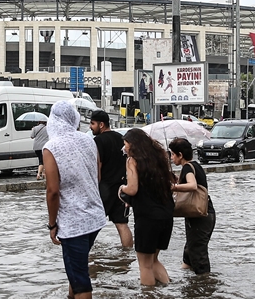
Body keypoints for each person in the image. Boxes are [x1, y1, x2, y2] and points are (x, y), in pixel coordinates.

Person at [42, 100, 105, 299]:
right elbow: (97, 174)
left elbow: (52, 191)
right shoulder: (88, 140)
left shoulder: (51, 147)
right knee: (77, 267)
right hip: (95, 217)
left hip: (73, 223)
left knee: (79, 277)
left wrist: (52, 225)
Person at [119, 127, 174, 287]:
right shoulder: (159, 157)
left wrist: (122, 188)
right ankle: (168, 291)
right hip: (166, 215)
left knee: (145, 265)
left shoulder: (132, 161)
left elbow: (133, 188)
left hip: (147, 217)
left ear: (134, 144)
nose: (125, 148)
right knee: (154, 260)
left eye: (126, 144)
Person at [168, 137, 215, 275]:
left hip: (200, 216)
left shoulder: (188, 167)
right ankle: (186, 279)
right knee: (190, 250)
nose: (171, 157)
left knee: (197, 251)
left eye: (172, 154)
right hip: (205, 213)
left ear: (180, 155)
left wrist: (173, 187)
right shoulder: (195, 165)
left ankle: (204, 285)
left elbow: (193, 185)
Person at [89, 109, 133, 250]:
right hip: (121, 188)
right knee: (121, 223)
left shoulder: (98, 141)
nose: (90, 127)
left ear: (101, 125)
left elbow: (98, 166)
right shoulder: (121, 139)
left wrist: (94, 188)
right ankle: (127, 255)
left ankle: (87, 253)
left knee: (93, 224)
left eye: (92, 123)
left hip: (105, 188)